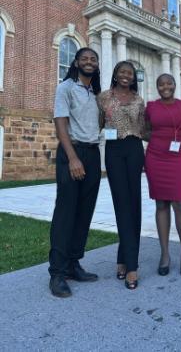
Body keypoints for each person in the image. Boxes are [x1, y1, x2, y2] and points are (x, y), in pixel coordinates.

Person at [49, 47, 102, 298]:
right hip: (73, 152)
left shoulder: (95, 92)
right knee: (66, 212)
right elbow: (60, 123)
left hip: (93, 153)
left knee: (84, 212)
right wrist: (72, 158)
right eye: (85, 58)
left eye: (93, 59)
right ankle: (57, 272)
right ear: (77, 62)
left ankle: (73, 264)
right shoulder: (66, 87)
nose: (89, 62)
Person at [97, 61, 145, 290]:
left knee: (134, 203)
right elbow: (99, 125)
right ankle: (129, 262)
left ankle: (127, 262)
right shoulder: (104, 97)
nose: (126, 75)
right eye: (122, 72)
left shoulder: (138, 100)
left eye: (130, 73)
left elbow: (143, 129)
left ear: (133, 78)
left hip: (134, 150)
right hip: (114, 151)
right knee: (121, 203)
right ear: (115, 75)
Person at [145, 74, 181, 276]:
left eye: (169, 83)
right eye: (161, 84)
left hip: (180, 156)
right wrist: (159, 141)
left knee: (180, 203)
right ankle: (165, 254)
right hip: (156, 157)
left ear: (174, 85)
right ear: (157, 87)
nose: (165, 87)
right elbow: (145, 130)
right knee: (161, 204)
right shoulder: (151, 107)